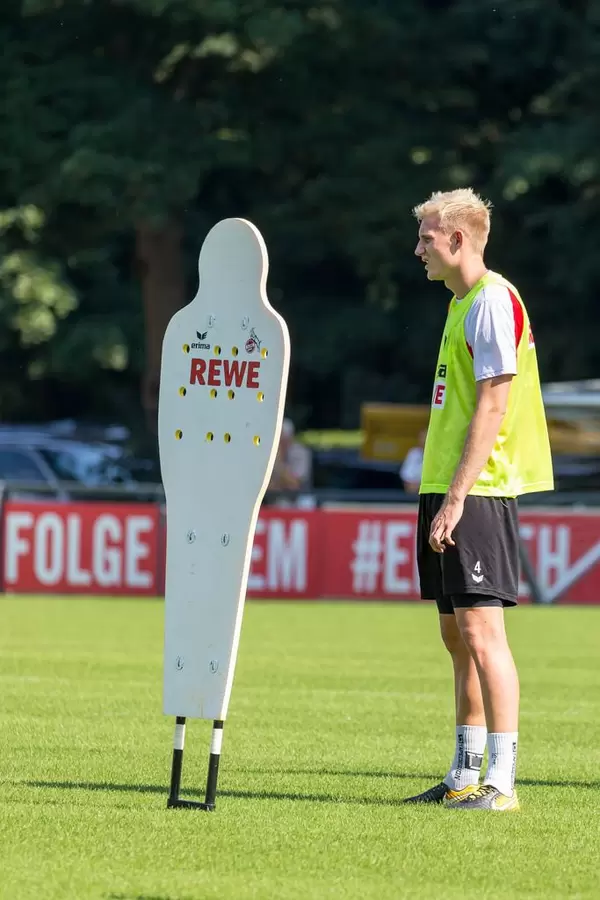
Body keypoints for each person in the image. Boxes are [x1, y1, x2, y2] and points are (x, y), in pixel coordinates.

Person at [403, 188, 553, 811]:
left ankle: (503, 781)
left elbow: (494, 403)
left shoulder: (491, 300)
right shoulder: (462, 302)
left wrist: (458, 497)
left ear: (459, 239)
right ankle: (465, 773)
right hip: (447, 485)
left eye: (427, 238)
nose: (419, 250)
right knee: (455, 635)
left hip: (480, 489)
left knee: (483, 633)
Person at [268, 418, 313, 503]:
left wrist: (278, 461)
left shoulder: (300, 453)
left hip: (299, 498)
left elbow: (295, 484)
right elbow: (268, 486)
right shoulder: (269, 452)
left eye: (281, 438)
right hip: (275, 498)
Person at [400, 428, 426, 494]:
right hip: (411, 491)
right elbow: (406, 475)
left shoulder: (436, 456)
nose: (424, 440)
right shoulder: (413, 453)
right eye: (422, 437)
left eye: (426, 437)